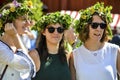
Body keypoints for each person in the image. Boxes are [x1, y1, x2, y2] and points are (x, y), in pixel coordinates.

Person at [69, 2, 120, 80]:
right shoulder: (74, 55)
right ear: (86, 27)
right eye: (94, 25)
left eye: (102, 25)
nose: (98, 29)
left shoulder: (115, 51)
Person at [29, 12, 73, 80]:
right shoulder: (34, 55)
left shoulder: (67, 55)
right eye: (51, 29)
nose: (56, 33)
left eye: (60, 30)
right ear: (43, 32)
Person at [0, 0, 37, 80]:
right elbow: (28, 66)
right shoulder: (1, 48)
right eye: (23, 19)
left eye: (28, 19)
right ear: (9, 22)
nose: (28, 23)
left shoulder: (18, 44)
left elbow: (32, 73)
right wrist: (15, 35)